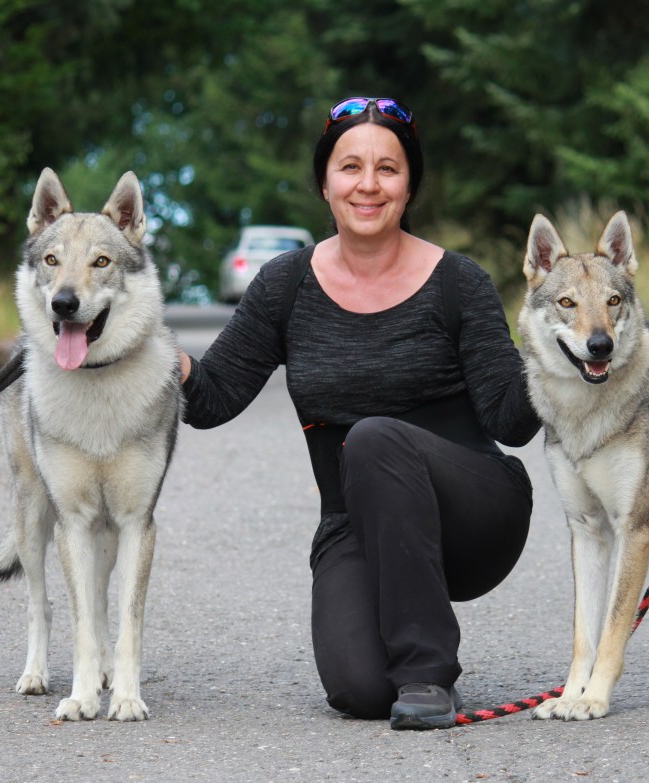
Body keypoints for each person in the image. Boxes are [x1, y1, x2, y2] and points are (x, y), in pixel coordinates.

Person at [179, 97, 540, 729]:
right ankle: (406, 665)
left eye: (387, 169)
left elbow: (511, 422)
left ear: (410, 184)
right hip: (356, 525)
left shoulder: (459, 283)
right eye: (350, 167)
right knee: (362, 691)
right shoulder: (285, 285)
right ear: (324, 182)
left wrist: (560, 355)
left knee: (372, 439)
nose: (367, 185)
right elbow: (210, 400)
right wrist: (151, 354)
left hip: (476, 515)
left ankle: (429, 673)